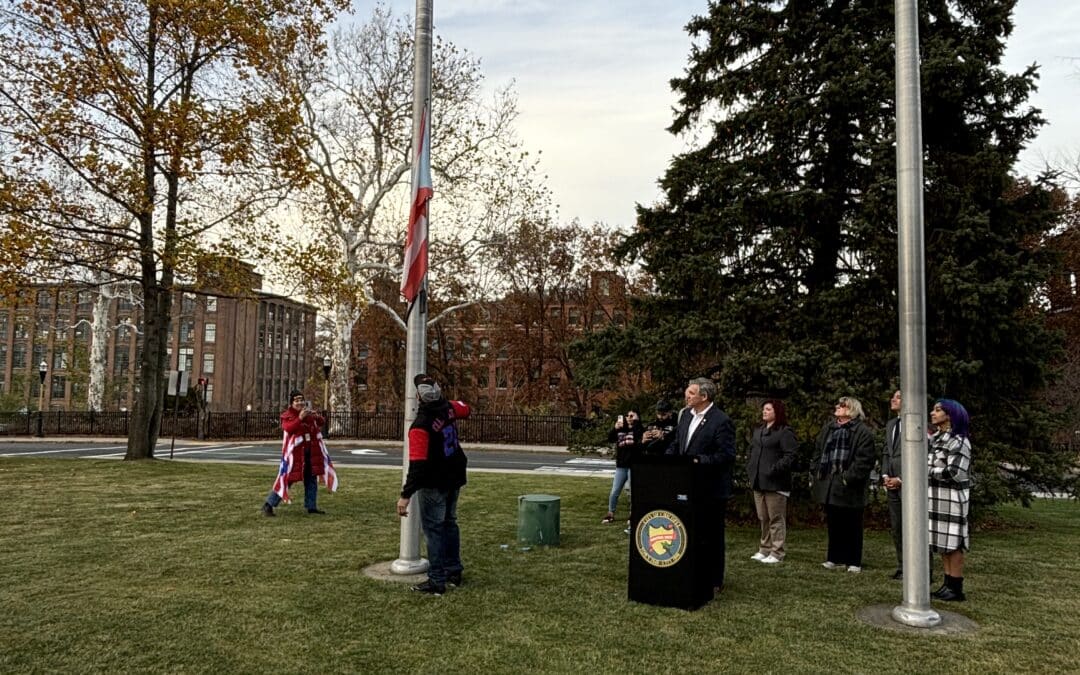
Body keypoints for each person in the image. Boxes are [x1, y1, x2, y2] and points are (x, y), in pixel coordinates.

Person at [396, 374, 471, 596]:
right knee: (449, 523)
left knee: (434, 530)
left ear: (418, 396)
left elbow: (418, 466)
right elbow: (465, 409)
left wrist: (405, 495)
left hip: (434, 482)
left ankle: (437, 580)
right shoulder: (448, 408)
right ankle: (453, 570)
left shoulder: (421, 426)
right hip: (454, 476)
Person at [666, 377, 736, 591]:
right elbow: (678, 444)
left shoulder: (721, 421)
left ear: (704, 397)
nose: (686, 396)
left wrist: (698, 460)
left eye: (691, 393)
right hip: (687, 486)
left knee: (711, 535)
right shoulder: (685, 415)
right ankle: (690, 572)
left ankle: (714, 579)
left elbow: (726, 455)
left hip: (711, 489)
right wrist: (667, 459)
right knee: (689, 531)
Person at [812, 396, 876, 573]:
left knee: (852, 523)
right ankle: (834, 557)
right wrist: (816, 470)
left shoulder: (862, 432)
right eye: (838, 405)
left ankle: (853, 560)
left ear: (851, 410)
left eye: (842, 406)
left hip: (850, 486)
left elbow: (864, 460)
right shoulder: (829, 428)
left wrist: (847, 478)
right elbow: (818, 450)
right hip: (829, 483)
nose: (837, 408)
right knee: (834, 522)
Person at [261, 390, 338, 516]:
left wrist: (316, 416)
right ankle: (268, 504)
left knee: (311, 480)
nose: (300, 403)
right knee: (287, 480)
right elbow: (289, 428)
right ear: (292, 403)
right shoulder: (287, 416)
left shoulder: (308, 415)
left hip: (310, 453)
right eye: (297, 400)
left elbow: (321, 422)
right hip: (295, 456)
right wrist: (300, 418)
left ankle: (311, 506)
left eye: (301, 400)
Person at [928, 398, 973, 602]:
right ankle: (947, 583)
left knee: (953, 543)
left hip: (953, 498)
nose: (932, 413)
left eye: (938, 410)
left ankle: (956, 586)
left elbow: (954, 472)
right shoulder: (935, 439)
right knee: (942, 543)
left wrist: (927, 471)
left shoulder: (960, 441)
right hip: (936, 498)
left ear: (950, 415)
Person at [746, 399, 798, 564]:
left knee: (775, 518)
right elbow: (752, 452)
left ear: (777, 412)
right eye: (764, 409)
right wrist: (751, 468)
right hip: (758, 480)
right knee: (763, 517)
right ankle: (764, 548)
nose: (764, 412)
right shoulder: (759, 431)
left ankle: (777, 552)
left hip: (775, 483)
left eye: (768, 409)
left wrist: (774, 469)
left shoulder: (784, 432)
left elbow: (791, 455)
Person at [602, 410, 643, 523]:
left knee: (631, 490)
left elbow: (640, 438)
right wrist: (615, 428)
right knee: (615, 491)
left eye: (632, 416)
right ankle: (610, 513)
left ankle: (632, 514)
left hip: (633, 465)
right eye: (627, 415)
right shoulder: (621, 429)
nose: (629, 418)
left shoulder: (638, 428)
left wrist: (636, 423)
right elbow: (610, 438)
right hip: (621, 465)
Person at [881, 389, 904, 579]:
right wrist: (885, 475)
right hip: (891, 482)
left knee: (913, 526)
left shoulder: (918, 424)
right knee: (897, 526)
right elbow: (886, 451)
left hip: (908, 483)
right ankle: (902, 565)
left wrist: (902, 478)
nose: (893, 399)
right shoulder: (891, 425)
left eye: (898, 397)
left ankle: (922, 569)